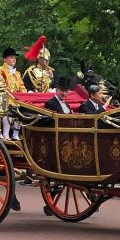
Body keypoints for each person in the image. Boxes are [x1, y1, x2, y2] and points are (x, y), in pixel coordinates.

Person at [42, 76, 74, 216]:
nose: (64, 93)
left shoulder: (67, 106)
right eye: (61, 90)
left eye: (66, 91)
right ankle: (51, 202)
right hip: (55, 140)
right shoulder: (51, 103)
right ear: (57, 90)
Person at [0, 47, 26, 140]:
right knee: (8, 107)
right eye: (11, 57)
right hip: (4, 96)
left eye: (14, 57)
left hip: (16, 98)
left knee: (23, 109)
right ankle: (6, 133)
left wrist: (25, 96)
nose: (14, 59)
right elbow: (2, 86)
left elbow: (22, 87)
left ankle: (15, 134)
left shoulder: (17, 73)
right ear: (5, 59)